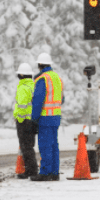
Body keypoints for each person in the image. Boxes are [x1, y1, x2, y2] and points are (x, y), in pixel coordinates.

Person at [30, 52, 63, 181]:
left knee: (45, 146)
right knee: (54, 145)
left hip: (45, 118)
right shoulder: (57, 78)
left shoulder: (42, 79)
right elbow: (62, 98)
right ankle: (55, 172)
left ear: (39, 65)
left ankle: (45, 172)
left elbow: (38, 101)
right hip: (56, 117)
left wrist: (34, 119)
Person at [13, 62, 39, 179]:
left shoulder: (23, 87)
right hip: (32, 120)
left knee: (25, 147)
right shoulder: (33, 85)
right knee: (30, 146)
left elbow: (22, 106)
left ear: (22, 74)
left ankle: (31, 171)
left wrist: (19, 118)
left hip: (24, 121)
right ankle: (31, 169)